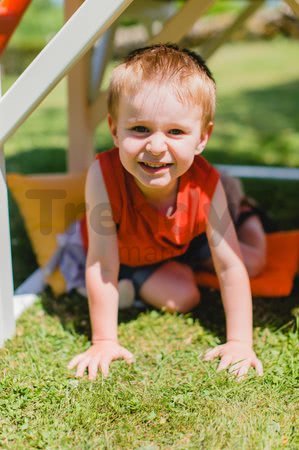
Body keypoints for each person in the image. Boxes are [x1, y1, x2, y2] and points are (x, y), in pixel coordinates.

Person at [68, 44, 264, 381]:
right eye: (140, 129)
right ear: (115, 130)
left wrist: (240, 342)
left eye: (175, 131)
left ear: (202, 138)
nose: (156, 147)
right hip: (129, 255)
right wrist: (103, 341)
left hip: (183, 237)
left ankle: (245, 211)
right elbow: (102, 263)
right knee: (182, 296)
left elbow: (230, 265)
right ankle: (141, 281)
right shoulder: (103, 175)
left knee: (253, 261)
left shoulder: (205, 183)